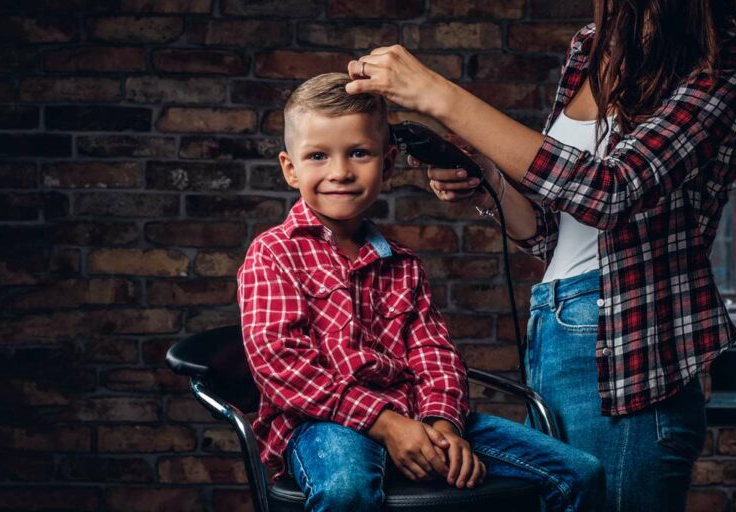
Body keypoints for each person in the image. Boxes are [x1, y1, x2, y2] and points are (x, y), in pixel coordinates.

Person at [344, 1, 736, 511]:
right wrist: (489, 179)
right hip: (555, 331)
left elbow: (610, 191)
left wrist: (439, 96)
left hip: (632, 349)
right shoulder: (591, 46)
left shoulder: (721, 66)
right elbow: (554, 232)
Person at [236, 72, 605, 512]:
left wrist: (442, 423)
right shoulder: (273, 254)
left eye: (359, 153)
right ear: (290, 168)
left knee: (579, 473)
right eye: (318, 156)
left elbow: (435, 355)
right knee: (346, 488)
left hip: (417, 417)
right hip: (322, 422)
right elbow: (283, 366)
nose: (339, 172)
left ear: (388, 164)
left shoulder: (403, 265)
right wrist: (385, 424)